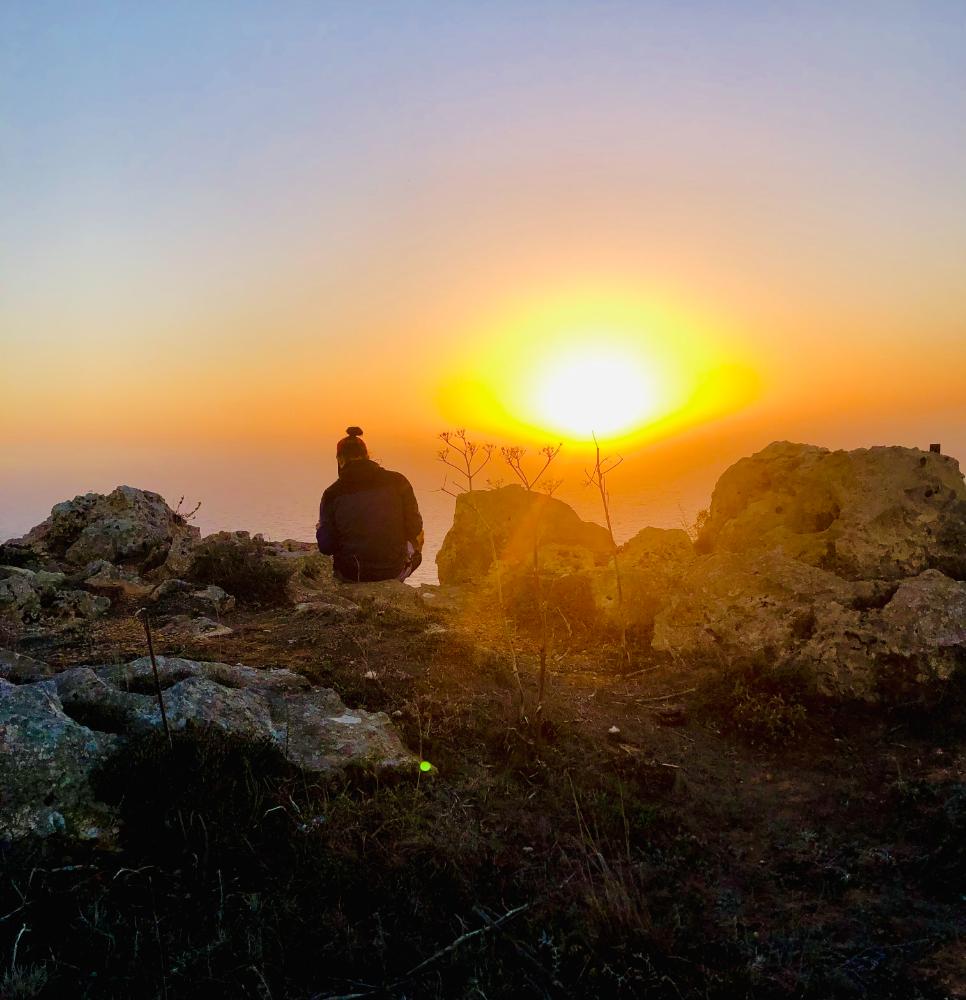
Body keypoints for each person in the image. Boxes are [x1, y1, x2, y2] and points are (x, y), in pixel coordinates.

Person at [316, 426, 424, 582]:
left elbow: (326, 547)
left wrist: (321, 529)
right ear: (367, 455)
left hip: (352, 574)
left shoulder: (332, 494)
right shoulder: (398, 481)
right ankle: (395, 581)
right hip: (393, 571)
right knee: (420, 536)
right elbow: (415, 526)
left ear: (340, 460)